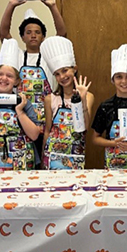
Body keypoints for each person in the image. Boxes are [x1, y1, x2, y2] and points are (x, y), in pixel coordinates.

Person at [0, 0, 67, 163]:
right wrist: (11, 5)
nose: (33, 35)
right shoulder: (16, 56)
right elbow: (3, 33)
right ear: (22, 36)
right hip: (21, 118)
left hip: (47, 119)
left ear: (43, 36)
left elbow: (62, 34)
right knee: (25, 161)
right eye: (28, 32)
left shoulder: (48, 57)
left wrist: (52, 6)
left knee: (45, 161)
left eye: (37, 32)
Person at [0, 38, 40, 171]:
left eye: (9, 76)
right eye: (0, 74)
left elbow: (34, 135)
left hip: (24, 161)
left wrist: (20, 112)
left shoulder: (24, 102)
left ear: (17, 81)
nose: (4, 79)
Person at [40, 36, 94, 170]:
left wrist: (82, 101)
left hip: (75, 155)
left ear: (74, 69)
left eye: (65, 70)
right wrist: (43, 159)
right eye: (57, 74)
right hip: (52, 155)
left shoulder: (88, 96)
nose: (62, 77)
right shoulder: (50, 99)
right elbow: (47, 130)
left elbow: (86, 128)